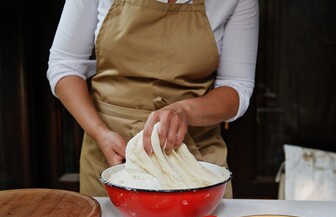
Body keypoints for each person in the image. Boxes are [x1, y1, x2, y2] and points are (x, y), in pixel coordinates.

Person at [47, 0, 259, 198]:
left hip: (195, 164)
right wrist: (99, 132)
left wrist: (185, 111)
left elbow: (236, 85)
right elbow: (64, 64)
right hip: (109, 158)